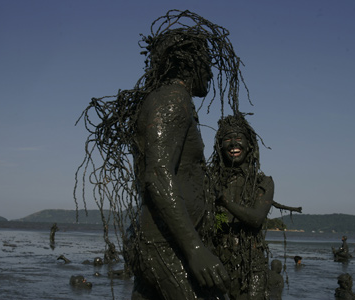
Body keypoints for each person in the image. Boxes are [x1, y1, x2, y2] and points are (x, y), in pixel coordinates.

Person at [74, 10, 249, 300]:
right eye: (207, 63)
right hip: (165, 245)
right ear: (190, 62)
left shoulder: (174, 102)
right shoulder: (171, 102)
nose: (210, 72)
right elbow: (157, 175)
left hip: (161, 241)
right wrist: (194, 248)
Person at [210, 114, 274, 299]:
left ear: (250, 145)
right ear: (219, 146)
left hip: (251, 264)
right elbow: (215, 221)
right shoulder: (211, 180)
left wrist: (224, 201)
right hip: (217, 259)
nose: (233, 144)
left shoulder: (263, 182)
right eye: (227, 139)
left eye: (238, 139)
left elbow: (256, 219)